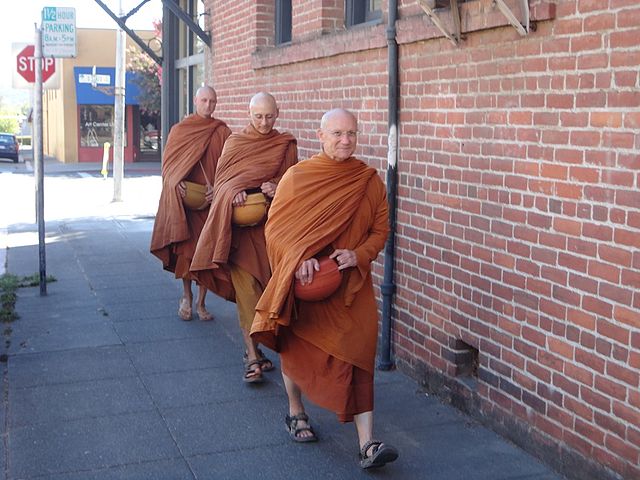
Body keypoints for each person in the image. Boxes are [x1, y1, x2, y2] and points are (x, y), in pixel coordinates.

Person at [251, 108, 399, 470]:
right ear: (320, 136)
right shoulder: (297, 178)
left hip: (351, 285)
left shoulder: (369, 181)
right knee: (297, 347)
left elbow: (380, 230)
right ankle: (296, 410)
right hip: (307, 284)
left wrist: (358, 253)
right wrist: (297, 257)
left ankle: (367, 445)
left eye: (351, 133)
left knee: (361, 354)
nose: (345, 140)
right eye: (337, 133)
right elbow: (276, 230)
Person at [191, 92, 297, 383]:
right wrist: (231, 191)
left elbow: (292, 181)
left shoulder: (285, 144)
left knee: (268, 292)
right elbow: (221, 183)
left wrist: (277, 185)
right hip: (238, 235)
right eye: (258, 116)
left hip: (270, 233)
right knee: (247, 293)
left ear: (278, 113)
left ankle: (259, 349)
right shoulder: (236, 143)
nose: (264, 123)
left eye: (269, 116)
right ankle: (251, 356)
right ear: (249, 114)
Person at [150, 86, 231, 322]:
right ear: (195, 101)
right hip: (186, 202)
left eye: (212, 101)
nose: (208, 105)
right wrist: (175, 182)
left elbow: (229, 166)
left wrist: (219, 188)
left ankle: (202, 301)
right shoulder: (180, 130)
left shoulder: (223, 132)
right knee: (186, 253)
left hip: (210, 202)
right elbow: (168, 165)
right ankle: (186, 297)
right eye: (204, 100)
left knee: (205, 254)